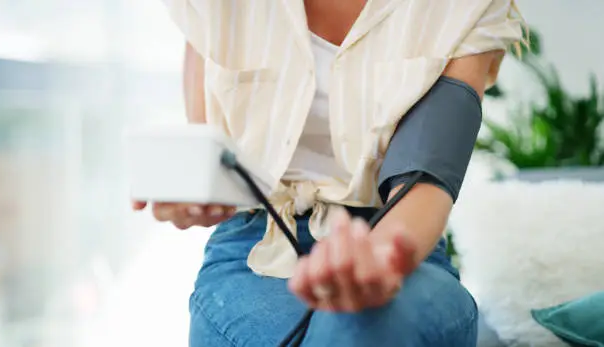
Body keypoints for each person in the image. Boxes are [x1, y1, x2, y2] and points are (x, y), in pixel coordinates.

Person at [133, 0, 525, 345]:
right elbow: (215, 156)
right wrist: (199, 195)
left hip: (403, 245)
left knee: (359, 326)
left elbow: (425, 176)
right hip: (255, 249)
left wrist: (378, 256)